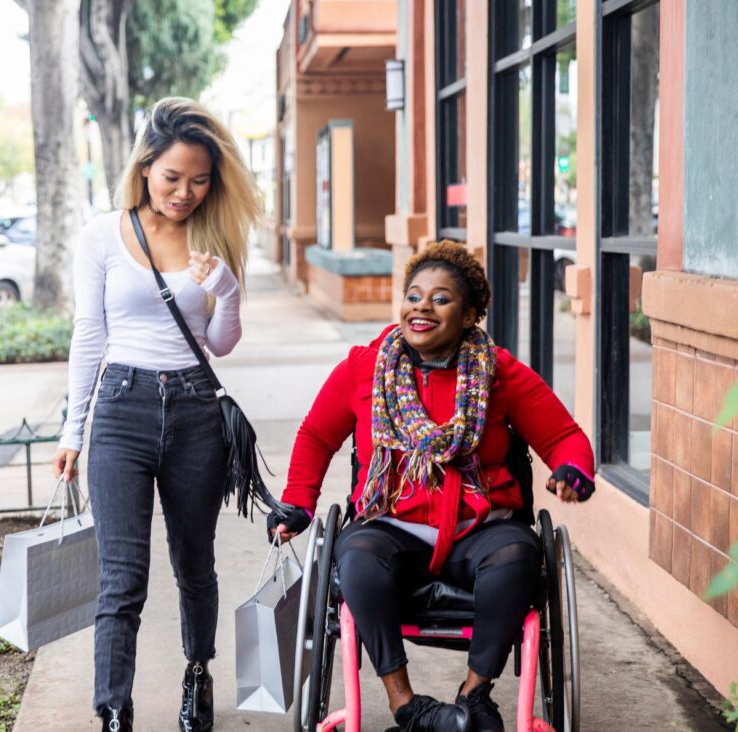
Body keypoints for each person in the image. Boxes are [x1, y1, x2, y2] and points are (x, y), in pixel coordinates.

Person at [269, 241, 595, 732]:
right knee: (355, 557)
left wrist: (573, 470)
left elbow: (564, 437)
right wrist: (297, 501)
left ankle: (474, 697)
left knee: (518, 556)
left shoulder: (499, 372)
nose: (421, 306)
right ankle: (408, 707)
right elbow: (316, 435)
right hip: (390, 522)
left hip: (479, 527)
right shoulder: (364, 367)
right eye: (414, 295)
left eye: (440, 299)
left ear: (469, 315)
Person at [52, 97, 261, 732]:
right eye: (173, 177)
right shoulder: (102, 234)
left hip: (196, 411)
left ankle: (197, 676)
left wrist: (224, 289)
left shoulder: (215, 235)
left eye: (200, 180)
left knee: (195, 563)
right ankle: (113, 706)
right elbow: (89, 334)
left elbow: (221, 344)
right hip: (121, 410)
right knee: (122, 577)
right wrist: (73, 428)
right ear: (145, 167)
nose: (186, 193)